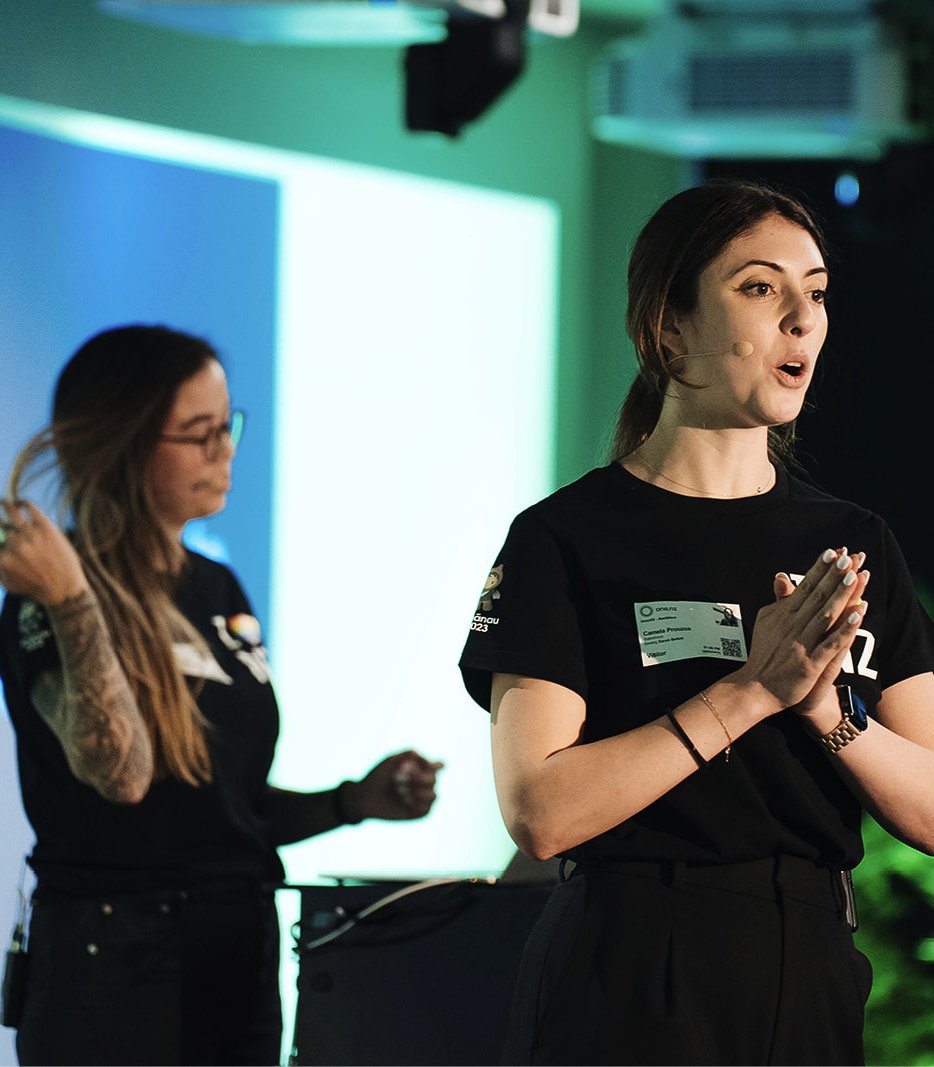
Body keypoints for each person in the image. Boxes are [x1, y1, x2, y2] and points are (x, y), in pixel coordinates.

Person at [458, 178, 934, 1066]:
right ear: (668, 327)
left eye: (817, 292)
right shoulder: (567, 538)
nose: (802, 317)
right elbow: (541, 811)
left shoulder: (854, 541)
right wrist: (752, 690)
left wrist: (828, 710)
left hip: (813, 962)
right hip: (636, 965)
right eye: (760, 288)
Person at [0, 323, 443, 1067]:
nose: (225, 450)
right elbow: (124, 776)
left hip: (235, 950)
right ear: (127, 443)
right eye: (200, 434)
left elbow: (222, 810)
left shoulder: (216, 587)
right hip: (114, 962)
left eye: (228, 425)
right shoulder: (51, 593)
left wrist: (350, 801)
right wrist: (76, 600)